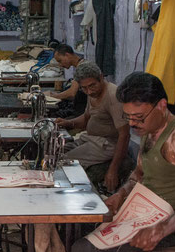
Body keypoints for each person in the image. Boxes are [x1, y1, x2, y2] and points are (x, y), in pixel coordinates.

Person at [72, 72, 175, 252]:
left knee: (84, 251)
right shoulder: (149, 129)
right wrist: (120, 195)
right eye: (128, 117)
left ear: (161, 105)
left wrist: (163, 229)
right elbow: (139, 174)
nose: (133, 123)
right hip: (143, 213)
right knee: (82, 228)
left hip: (173, 224)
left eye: (139, 117)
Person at [55, 62, 130, 192]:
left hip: (107, 144)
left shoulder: (113, 96)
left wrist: (113, 170)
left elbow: (124, 135)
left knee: (64, 162)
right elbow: (85, 119)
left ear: (101, 77)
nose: (89, 91)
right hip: (90, 138)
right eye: (84, 88)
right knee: (55, 152)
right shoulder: (92, 94)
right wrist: (68, 123)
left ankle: (70, 195)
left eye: (92, 86)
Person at [46, 44, 87, 118]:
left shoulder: (82, 67)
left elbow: (72, 93)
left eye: (60, 60)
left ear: (67, 55)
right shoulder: (82, 64)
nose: (60, 64)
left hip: (85, 111)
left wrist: (53, 96)